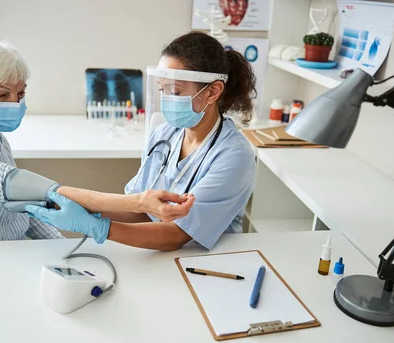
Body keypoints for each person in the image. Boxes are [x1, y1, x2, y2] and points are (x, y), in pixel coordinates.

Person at [0, 40, 193, 243]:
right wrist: (138, 203)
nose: (15, 104)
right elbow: (22, 187)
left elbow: (27, 211)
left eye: (20, 94)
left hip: (7, 251)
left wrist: (60, 247)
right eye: (2, 96)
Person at [27, 32, 257, 251]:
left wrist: (99, 228)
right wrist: (86, 211)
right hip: (156, 254)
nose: (167, 99)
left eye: (175, 91)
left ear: (213, 91)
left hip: (208, 261)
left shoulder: (234, 155)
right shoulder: (163, 136)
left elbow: (177, 235)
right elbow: (141, 210)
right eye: (162, 90)